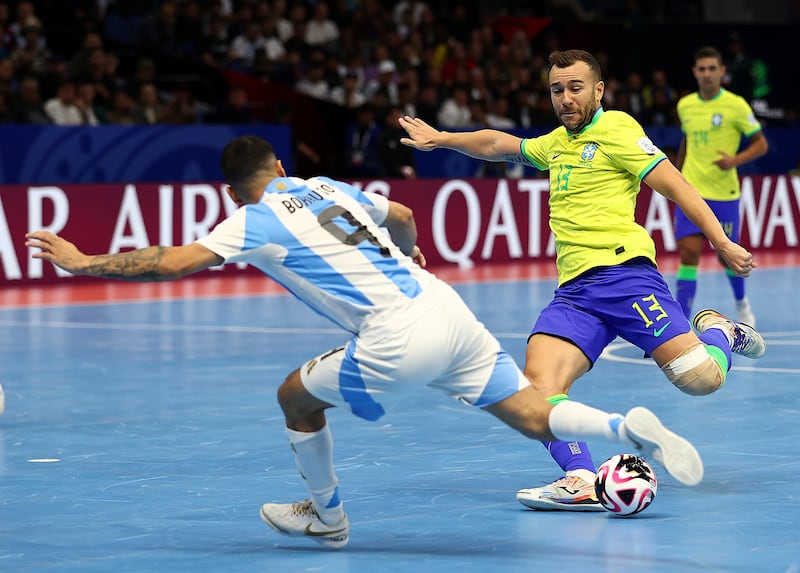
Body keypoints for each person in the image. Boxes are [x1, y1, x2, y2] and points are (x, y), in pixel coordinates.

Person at [26, 134, 703, 548]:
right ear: (283, 163)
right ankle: (624, 427)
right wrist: (411, 261)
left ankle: (327, 517)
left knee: (294, 397)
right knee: (530, 410)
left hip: (394, 336)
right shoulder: (323, 185)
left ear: (232, 191)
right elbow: (405, 214)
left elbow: (173, 262)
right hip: (444, 305)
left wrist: (83, 262)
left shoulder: (252, 220)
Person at [399, 49, 766, 512]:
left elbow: (676, 185)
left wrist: (720, 242)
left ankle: (719, 331)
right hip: (575, 294)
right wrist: (441, 138)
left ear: (598, 90)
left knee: (700, 379)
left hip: (626, 277)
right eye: (557, 90)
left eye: (576, 88)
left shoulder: (618, 129)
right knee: (536, 388)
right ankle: (580, 477)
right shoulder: (554, 143)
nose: (566, 98)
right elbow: (497, 144)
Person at [674, 46, 768, 326]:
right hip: (691, 191)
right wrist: (676, 175)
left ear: (722, 71)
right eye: (701, 69)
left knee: (728, 257)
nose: (707, 74)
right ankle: (680, 323)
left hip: (724, 194)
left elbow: (760, 144)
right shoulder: (685, 105)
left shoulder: (736, 105)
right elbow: (686, 141)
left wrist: (735, 160)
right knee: (688, 254)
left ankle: (741, 304)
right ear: (694, 72)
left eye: (712, 69)